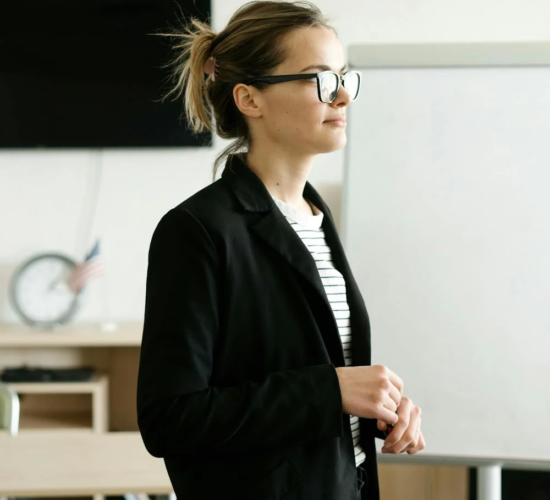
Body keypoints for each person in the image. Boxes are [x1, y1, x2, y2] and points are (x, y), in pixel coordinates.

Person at [136, 1, 425, 499]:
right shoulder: (197, 230)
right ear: (250, 99)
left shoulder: (316, 217)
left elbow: (305, 371)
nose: (342, 98)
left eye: (343, 78)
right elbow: (170, 419)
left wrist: (380, 409)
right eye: (320, 80)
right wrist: (331, 391)